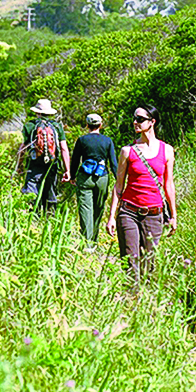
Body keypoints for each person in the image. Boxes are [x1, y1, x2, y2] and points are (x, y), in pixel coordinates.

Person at [105, 103, 176, 283]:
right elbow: (118, 186)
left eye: (140, 119)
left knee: (149, 263)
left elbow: (168, 184)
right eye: (134, 119)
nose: (135, 122)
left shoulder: (166, 150)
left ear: (152, 122)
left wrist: (174, 215)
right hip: (128, 212)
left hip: (154, 213)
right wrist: (111, 216)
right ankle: (132, 301)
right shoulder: (127, 151)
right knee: (130, 260)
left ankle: (146, 304)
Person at [69, 113, 118, 245]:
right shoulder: (107, 141)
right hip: (102, 178)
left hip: (85, 177)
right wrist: (119, 179)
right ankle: (94, 240)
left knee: (85, 209)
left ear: (87, 125)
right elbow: (113, 162)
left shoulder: (82, 140)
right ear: (101, 125)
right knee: (98, 207)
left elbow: (75, 160)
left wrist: (72, 176)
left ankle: (87, 242)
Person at [18, 98, 70, 216]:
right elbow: (63, 149)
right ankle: (49, 220)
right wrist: (67, 170)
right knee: (50, 193)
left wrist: (19, 164)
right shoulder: (57, 126)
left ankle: (32, 221)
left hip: (33, 165)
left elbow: (23, 148)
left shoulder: (30, 126)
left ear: (37, 112)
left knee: (31, 195)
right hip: (52, 165)